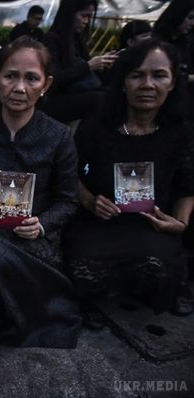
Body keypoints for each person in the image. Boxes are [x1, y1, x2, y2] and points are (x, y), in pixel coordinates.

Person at [0, 36, 81, 351]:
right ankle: (7, 321)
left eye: (32, 78)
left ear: (46, 84)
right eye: (11, 76)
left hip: (35, 239)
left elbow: (68, 200)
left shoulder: (58, 135)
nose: (20, 87)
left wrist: (41, 224)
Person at [64, 39, 194, 319]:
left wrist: (180, 223)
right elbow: (70, 174)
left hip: (152, 226)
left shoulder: (181, 132)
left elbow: (187, 184)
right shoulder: (96, 126)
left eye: (159, 75)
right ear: (123, 82)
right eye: (137, 75)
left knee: (152, 265)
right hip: (99, 224)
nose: (147, 84)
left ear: (172, 83)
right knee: (83, 272)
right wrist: (89, 201)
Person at [41, 0, 118, 123]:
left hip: (76, 94)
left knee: (114, 93)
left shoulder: (77, 39)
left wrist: (104, 64)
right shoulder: (52, 40)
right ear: (69, 14)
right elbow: (53, 79)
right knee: (98, 99)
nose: (86, 22)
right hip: (54, 100)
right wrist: (88, 66)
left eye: (89, 17)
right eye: (83, 16)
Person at [153, 0, 194, 119]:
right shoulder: (158, 43)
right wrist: (189, 77)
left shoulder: (186, 41)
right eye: (189, 18)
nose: (192, 23)